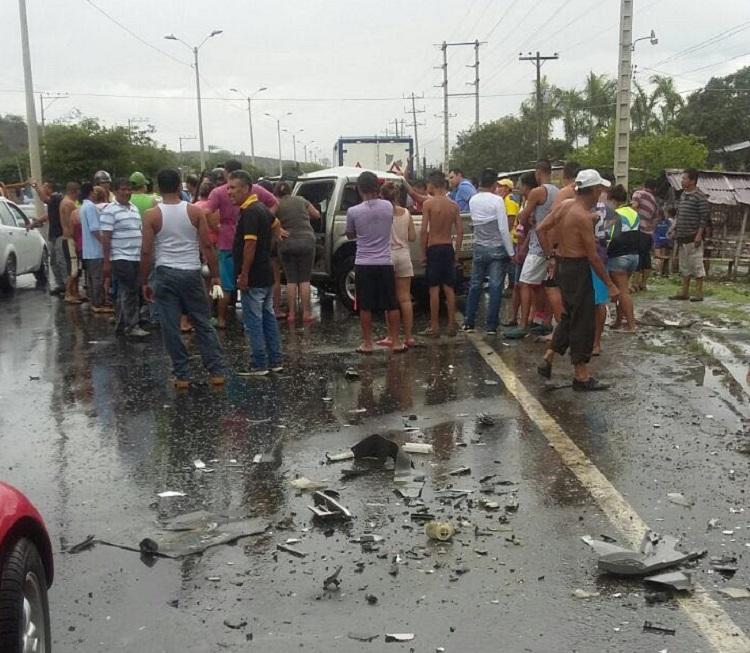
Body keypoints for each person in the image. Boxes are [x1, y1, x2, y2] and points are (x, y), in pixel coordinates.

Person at [140, 168, 226, 388]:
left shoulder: (151, 215)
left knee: (171, 326)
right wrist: (215, 276)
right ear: (180, 186)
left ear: (159, 188)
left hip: (165, 273)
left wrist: (144, 281)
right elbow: (206, 245)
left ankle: (182, 375)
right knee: (202, 322)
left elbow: (146, 251)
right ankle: (216, 371)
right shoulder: (195, 212)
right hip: (191, 272)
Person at [536, 169, 619, 390]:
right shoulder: (582, 217)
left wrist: (550, 255)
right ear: (591, 191)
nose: (600, 195)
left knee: (569, 316)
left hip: (563, 265)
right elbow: (592, 256)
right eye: (599, 190)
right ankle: (581, 375)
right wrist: (610, 284)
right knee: (583, 321)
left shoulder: (566, 207)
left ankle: (549, 356)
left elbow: (541, 228)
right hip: (577, 268)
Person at [203, 160, 278, 329]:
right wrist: (264, 223)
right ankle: (250, 321)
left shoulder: (218, 192)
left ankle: (221, 319)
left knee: (225, 285)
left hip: (227, 242)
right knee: (254, 287)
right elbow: (274, 203)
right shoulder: (255, 189)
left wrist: (216, 227)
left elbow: (206, 212)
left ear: (226, 172)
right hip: (253, 245)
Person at [228, 170, 284, 375]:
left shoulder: (250, 211)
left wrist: (244, 274)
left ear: (245, 189)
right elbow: (277, 225)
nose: (229, 192)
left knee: (253, 320)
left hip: (254, 275)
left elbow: (249, 245)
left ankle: (259, 363)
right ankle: (275, 360)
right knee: (268, 317)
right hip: (266, 271)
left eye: (233, 188)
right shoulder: (261, 208)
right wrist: (271, 244)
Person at [345, 171, 405, 354]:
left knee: (365, 305)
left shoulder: (353, 211)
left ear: (358, 189)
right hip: (385, 262)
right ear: (377, 187)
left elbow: (350, 234)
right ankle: (395, 341)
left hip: (363, 262)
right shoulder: (388, 207)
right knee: (391, 303)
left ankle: (367, 343)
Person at [505, 160, 559, 339]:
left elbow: (523, 215)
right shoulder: (557, 192)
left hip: (538, 245)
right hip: (552, 244)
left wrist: (528, 218)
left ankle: (523, 324)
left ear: (538, 172)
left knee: (525, 284)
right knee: (545, 286)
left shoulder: (538, 192)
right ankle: (544, 322)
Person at [463, 168, 514, 335]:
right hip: (497, 249)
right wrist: (511, 252)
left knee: (475, 284)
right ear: (494, 184)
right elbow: (503, 228)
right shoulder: (497, 201)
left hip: (479, 247)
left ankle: (469, 322)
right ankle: (491, 326)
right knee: (495, 286)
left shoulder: (473, 200)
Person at [100, 178, 149, 338]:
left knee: (125, 291)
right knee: (130, 291)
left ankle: (122, 324)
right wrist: (107, 261)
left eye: (129, 189)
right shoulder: (110, 210)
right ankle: (131, 326)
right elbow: (106, 237)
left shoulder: (133, 208)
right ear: (114, 191)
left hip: (135, 257)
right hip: (121, 256)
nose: (127, 192)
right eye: (123, 189)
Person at [422, 170, 463, 337]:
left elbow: (424, 230)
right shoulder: (453, 205)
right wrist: (457, 254)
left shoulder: (428, 204)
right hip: (447, 247)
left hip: (434, 247)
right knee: (449, 288)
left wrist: (423, 253)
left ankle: (434, 326)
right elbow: (459, 232)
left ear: (432, 185)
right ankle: (452, 325)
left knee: (433, 289)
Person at [273, 181, 320, 324]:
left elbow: (268, 218)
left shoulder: (276, 203)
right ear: (291, 190)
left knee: (291, 279)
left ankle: (291, 314)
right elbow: (317, 215)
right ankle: (306, 313)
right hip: (306, 240)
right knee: (305, 279)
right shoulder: (301, 200)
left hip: (287, 242)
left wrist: (278, 228)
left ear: (276, 193)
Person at [377, 182, 417, 347]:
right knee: (405, 299)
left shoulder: (382, 214)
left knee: (390, 299)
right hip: (404, 255)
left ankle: (391, 336)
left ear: (382, 196)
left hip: (387, 255)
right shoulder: (406, 213)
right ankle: (409, 337)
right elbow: (412, 236)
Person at [669, 168, 710, 302]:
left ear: (692, 181)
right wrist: (674, 228)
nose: (682, 181)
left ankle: (699, 292)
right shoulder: (683, 195)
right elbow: (679, 214)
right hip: (682, 236)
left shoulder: (700, 196)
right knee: (684, 266)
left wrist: (699, 235)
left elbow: (704, 218)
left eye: (685, 178)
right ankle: (684, 292)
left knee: (697, 264)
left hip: (694, 236)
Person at [504, 172, 537, 327]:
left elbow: (530, 228)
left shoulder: (532, 202)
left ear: (526, 185)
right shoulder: (524, 201)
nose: (517, 187)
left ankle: (526, 319)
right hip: (520, 245)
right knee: (518, 285)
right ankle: (515, 317)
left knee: (524, 285)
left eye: (519, 184)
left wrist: (522, 248)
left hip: (526, 248)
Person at [607, 184, 640, 331]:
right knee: (622, 290)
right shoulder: (634, 213)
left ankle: (632, 325)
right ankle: (618, 321)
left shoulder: (615, 214)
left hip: (619, 257)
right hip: (634, 256)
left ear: (612, 199)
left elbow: (611, 236)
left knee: (623, 292)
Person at [78, 182, 109, 313]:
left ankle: (95, 302)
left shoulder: (83, 207)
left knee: (91, 277)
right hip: (95, 250)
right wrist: (105, 243)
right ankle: (97, 304)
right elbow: (95, 228)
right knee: (97, 278)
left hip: (88, 250)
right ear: (91, 192)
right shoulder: (90, 207)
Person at [631, 178, 658, 292]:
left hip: (638, 229)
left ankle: (635, 284)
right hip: (648, 232)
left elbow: (634, 207)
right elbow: (655, 219)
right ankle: (643, 283)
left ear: (644, 185)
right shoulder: (654, 201)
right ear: (654, 189)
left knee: (636, 255)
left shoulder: (638, 194)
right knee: (645, 257)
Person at [496, 178, 519, 294]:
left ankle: (511, 288)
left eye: (501, 187)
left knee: (510, 264)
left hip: (511, 237)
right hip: (511, 237)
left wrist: (503, 236)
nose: (498, 189)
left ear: (507, 189)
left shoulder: (509, 200)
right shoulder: (507, 199)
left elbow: (511, 219)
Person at [59, 182, 81, 304]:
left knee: (75, 267)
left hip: (68, 238)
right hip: (70, 239)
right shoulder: (69, 204)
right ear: (74, 191)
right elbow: (71, 223)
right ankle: (68, 293)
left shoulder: (65, 202)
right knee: (73, 268)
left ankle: (74, 292)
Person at [653, 208, 673, 276]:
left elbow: (653, 230)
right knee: (663, 257)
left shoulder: (655, 221)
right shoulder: (668, 221)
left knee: (658, 257)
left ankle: (658, 271)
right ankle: (662, 272)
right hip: (666, 240)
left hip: (658, 240)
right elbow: (671, 230)